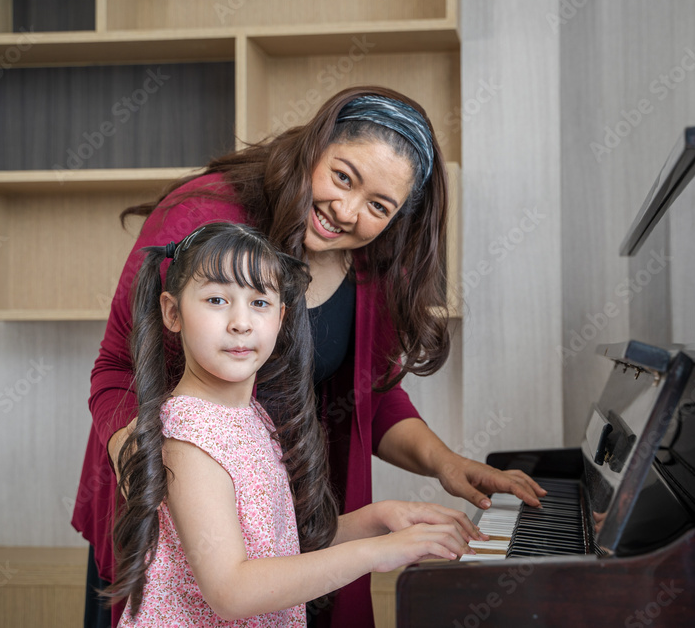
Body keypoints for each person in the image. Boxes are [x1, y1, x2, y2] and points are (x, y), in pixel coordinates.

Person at [72, 86, 546, 628]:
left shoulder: (368, 264)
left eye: (378, 206)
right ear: (315, 147)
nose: (345, 211)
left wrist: (443, 468)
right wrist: (158, 483)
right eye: (343, 177)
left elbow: (366, 392)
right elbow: (116, 370)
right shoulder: (206, 222)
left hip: (283, 539)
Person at [105, 221, 479, 626]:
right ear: (172, 312)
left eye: (259, 303)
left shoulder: (252, 416)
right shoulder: (190, 439)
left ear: (281, 317)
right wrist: (376, 554)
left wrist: (379, 519)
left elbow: (273, 545)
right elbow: (231, 591)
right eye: (216, 300)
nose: (240, 322)